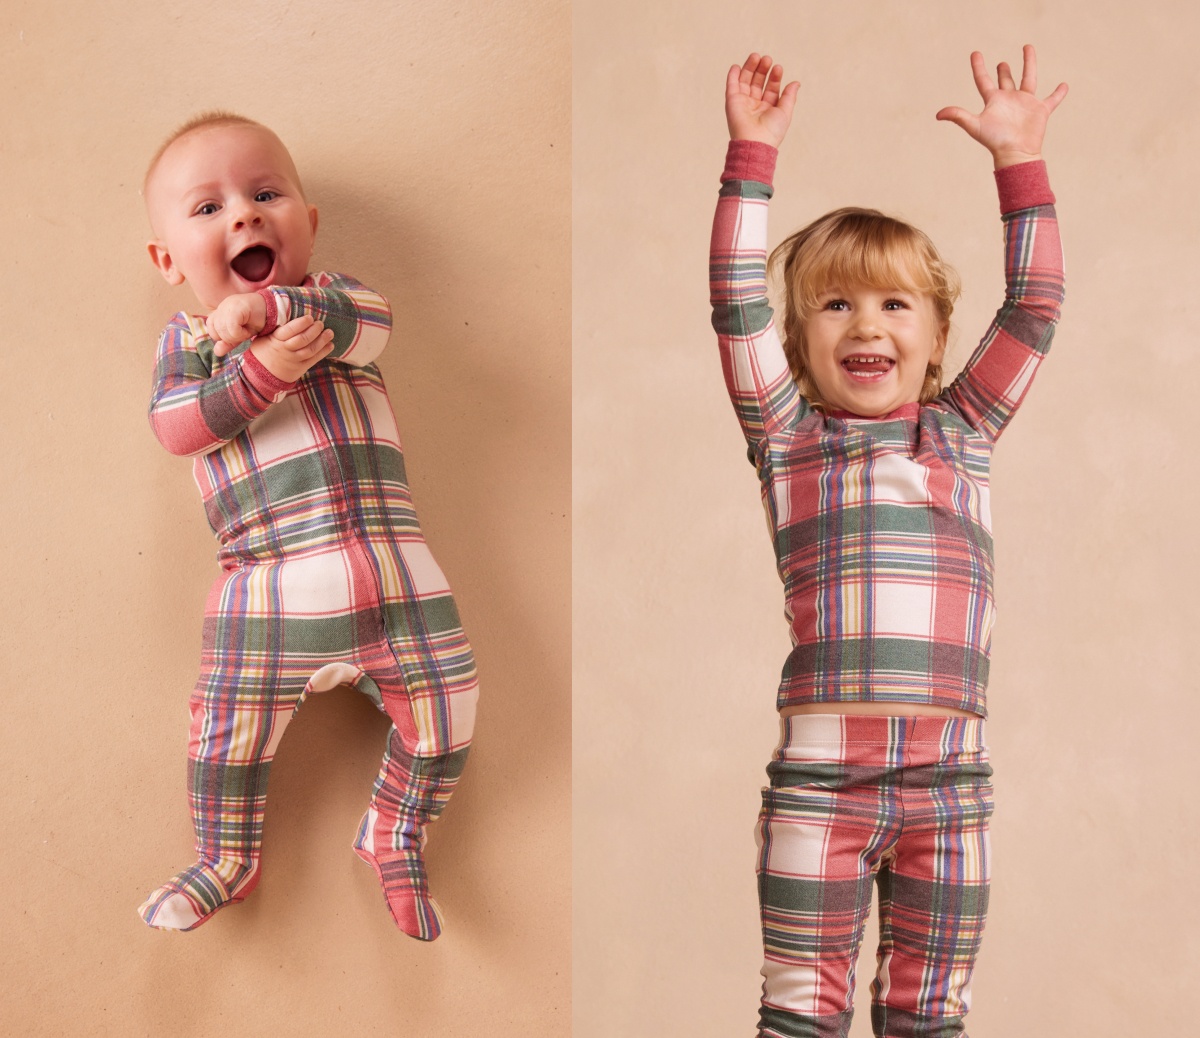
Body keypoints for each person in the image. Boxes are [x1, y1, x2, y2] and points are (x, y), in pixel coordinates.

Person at [710, 48, 1066, 1036]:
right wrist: (752, 155)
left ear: (938, 334)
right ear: (799, 341)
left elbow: (1035, 308)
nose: (866, 321)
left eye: (893, 302)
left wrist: (1019, 162)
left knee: (928, 1016)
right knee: (798, 1014)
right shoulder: (788, 439)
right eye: (836, 302)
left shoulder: (964, 430)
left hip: (952, 783)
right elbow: (735, 301)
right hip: (821, 780)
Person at [139, 113, 478, 939]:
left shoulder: (334, 307)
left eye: (265, 195)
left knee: (452, 709)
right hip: (263, 589)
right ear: (168, 261)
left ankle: (394, 830)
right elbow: (177, 427)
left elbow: (376, 326)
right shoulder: (186, 345)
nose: (245, 217)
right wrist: (254, 372)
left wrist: (276, 314)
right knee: (223, 740)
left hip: (395, 573)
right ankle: (226, 859)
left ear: (309, 222)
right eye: (207, 209)